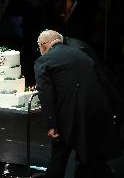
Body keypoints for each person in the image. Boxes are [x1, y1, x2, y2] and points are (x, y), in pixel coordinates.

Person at [34, 29, 121, 178]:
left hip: (69, 115)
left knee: (60, 158)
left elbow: (45, 94)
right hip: (96, 110)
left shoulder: (44, 61)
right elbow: (99, 80)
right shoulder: (81, 53)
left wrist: (51, 124)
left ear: (43, 45)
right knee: (88, 157)